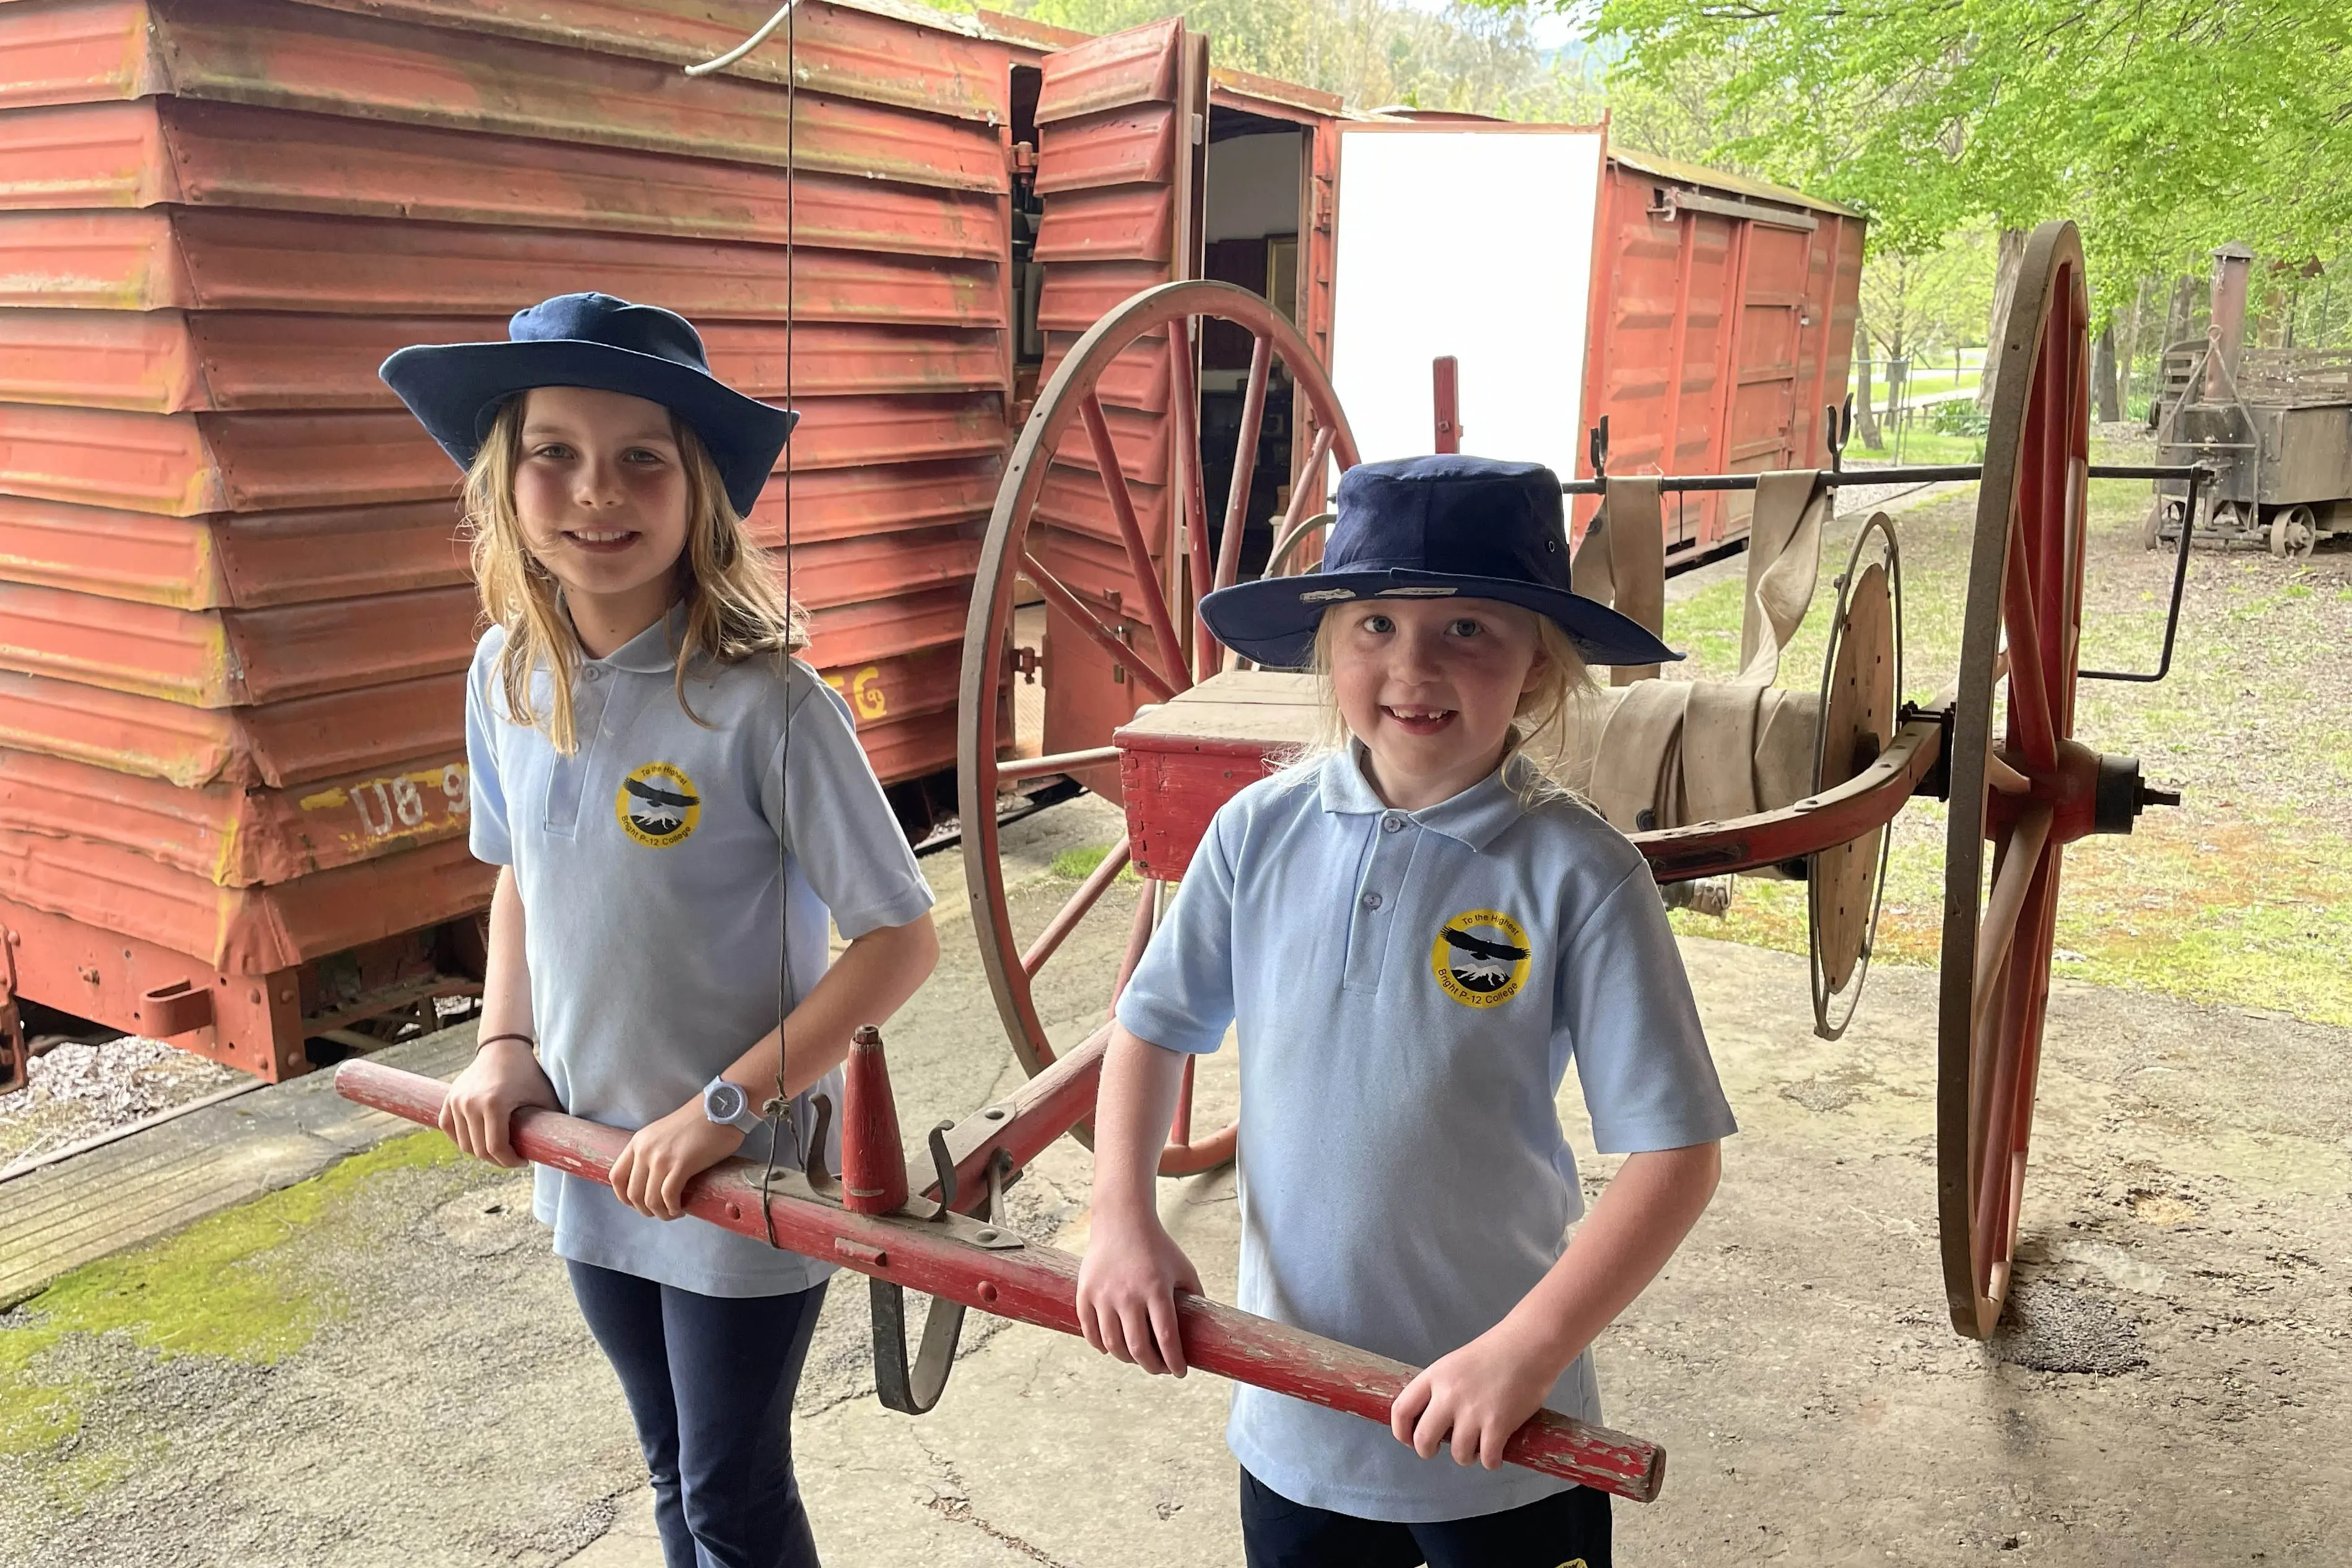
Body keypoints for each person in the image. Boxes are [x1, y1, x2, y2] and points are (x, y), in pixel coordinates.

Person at [1074, 456, 1736, 1568]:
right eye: (1375, 625)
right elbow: (1151, 1027)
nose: (1413, 666)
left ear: (1537, 666)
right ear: (1328, 648)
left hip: (1503, 1427)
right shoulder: (1254, 833)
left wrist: (1526, 1350)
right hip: (1293, 1413)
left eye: (1467, 628)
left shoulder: (1579, 874)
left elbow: (1676, 1156)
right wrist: (1121, 1217)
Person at [381, 294, 939, 1568]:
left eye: (644, 456)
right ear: (503, 481)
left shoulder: (768, 705)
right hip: (589, 1153)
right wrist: (504, 1045)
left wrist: (723, 1110)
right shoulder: (503, 672)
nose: (597, 490)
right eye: (555, 453)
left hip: (740, 1169)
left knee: (733, 1498)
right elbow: (520, 875)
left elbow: (898, 941)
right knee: (673, 1475)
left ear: (702, 494)